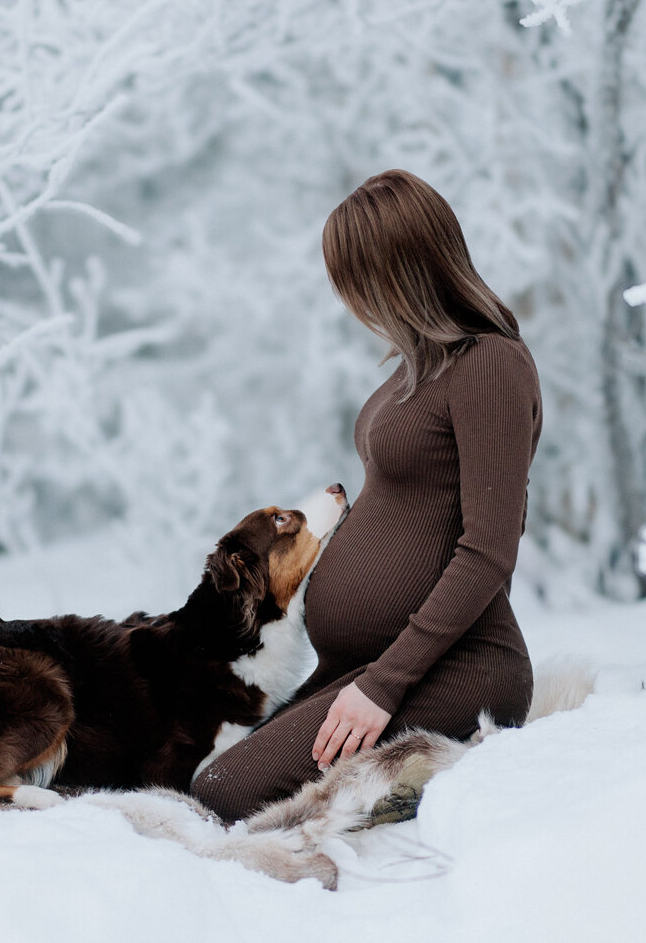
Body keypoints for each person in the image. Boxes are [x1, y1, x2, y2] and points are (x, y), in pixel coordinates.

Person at [188, 169, 541, 822]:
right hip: (367, 665)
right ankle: (396, 785)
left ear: (403, 269)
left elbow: (488, 549)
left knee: (226, 795)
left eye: (359, 280)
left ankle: (427, 784)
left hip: (456, 665)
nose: (353, 300)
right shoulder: (417, 368)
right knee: (212, 773)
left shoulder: (492, 364)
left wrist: (384, 684)